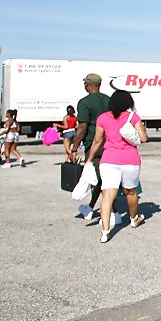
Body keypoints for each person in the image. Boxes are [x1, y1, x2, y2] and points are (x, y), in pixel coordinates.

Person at [84, 90, 147, 243]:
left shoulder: (103, 118)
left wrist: (89, 159)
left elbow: (97, 141)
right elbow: (144, 138)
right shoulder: (133, 117)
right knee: (130, 192)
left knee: (107, 195)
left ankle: (105, 231)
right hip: (130, 160)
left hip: (109, 160)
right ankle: (133, 219)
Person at [71, 73, 115, 223]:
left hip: (94, 145)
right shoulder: (109, 100)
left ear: (88, 85)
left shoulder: (84, 102)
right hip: (110, 144)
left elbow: (82, 127)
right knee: (106, 178)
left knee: (98, 179)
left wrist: (74, 147)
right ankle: (92, 207)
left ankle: (109, 213)